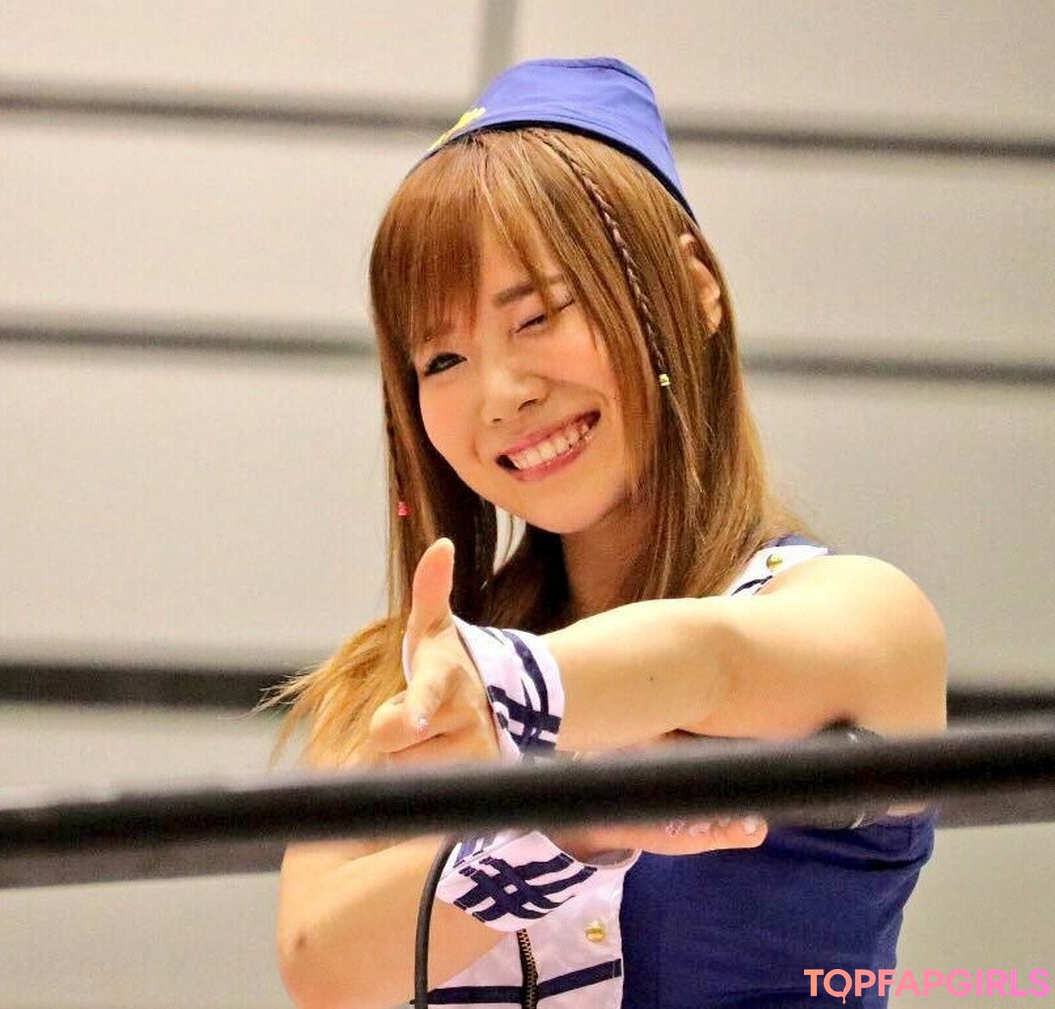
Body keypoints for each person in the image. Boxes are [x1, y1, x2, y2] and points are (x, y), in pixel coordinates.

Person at [273, 57, 947, 1009]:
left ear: (694, 285)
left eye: (539, 315)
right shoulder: (406, 675)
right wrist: (568, 822)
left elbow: (707, 660)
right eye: (444, 357)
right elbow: (319, 960)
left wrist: (515, 696)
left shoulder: (864, 614)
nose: (501, 393)